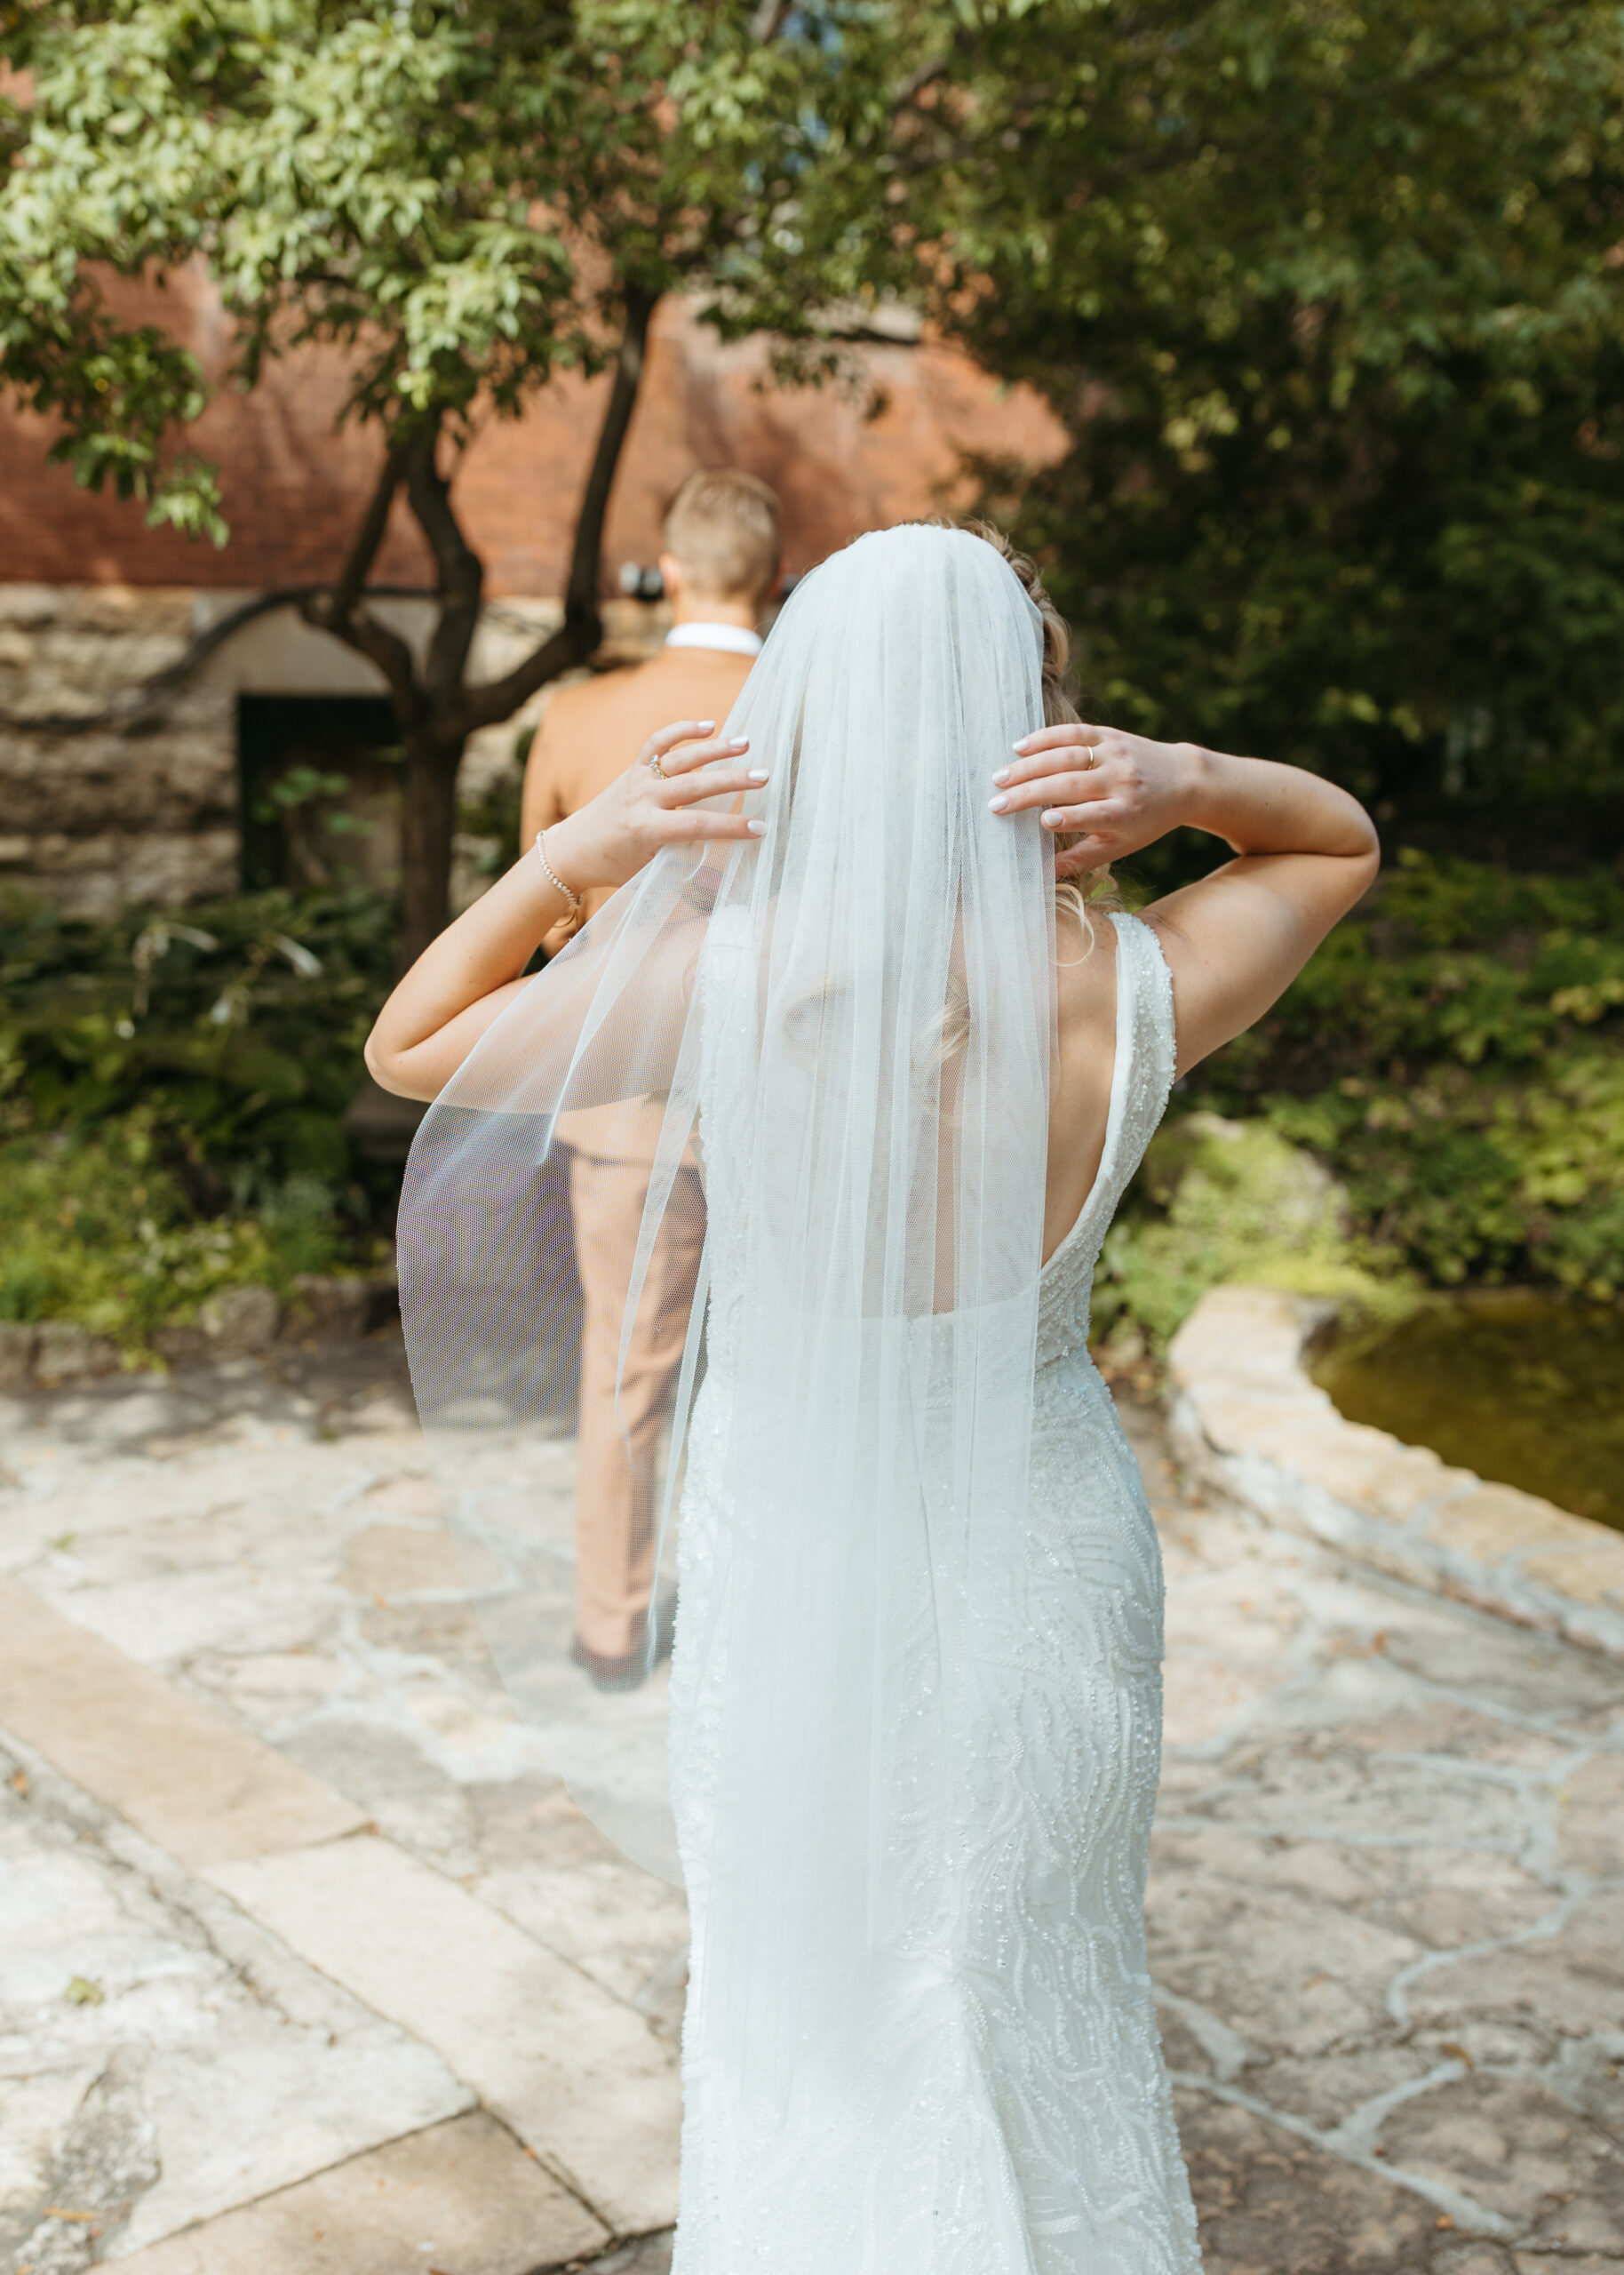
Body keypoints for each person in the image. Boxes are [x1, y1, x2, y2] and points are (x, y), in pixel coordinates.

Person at [369, 522, 1379, 2272]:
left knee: (810, 1992)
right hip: (1049, 1552)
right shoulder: (1137, 981)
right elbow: (1339, 840)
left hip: (793, 1559)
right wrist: (1182, 781)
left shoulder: (727, 982)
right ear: (1032, 726)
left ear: (805, 727)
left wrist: (584, 852)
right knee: (1022, 1975)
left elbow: (411, 1043)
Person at [518, 468, 782, 1689]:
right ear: (772, 576)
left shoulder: (581, 714)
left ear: (666, 572)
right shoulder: (815, 712)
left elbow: (542, 910)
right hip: (801, 1098)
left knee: (628, 1370)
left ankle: (612, 1626)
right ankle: (782, 1612)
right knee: (805, 1367)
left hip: (631, 1104)